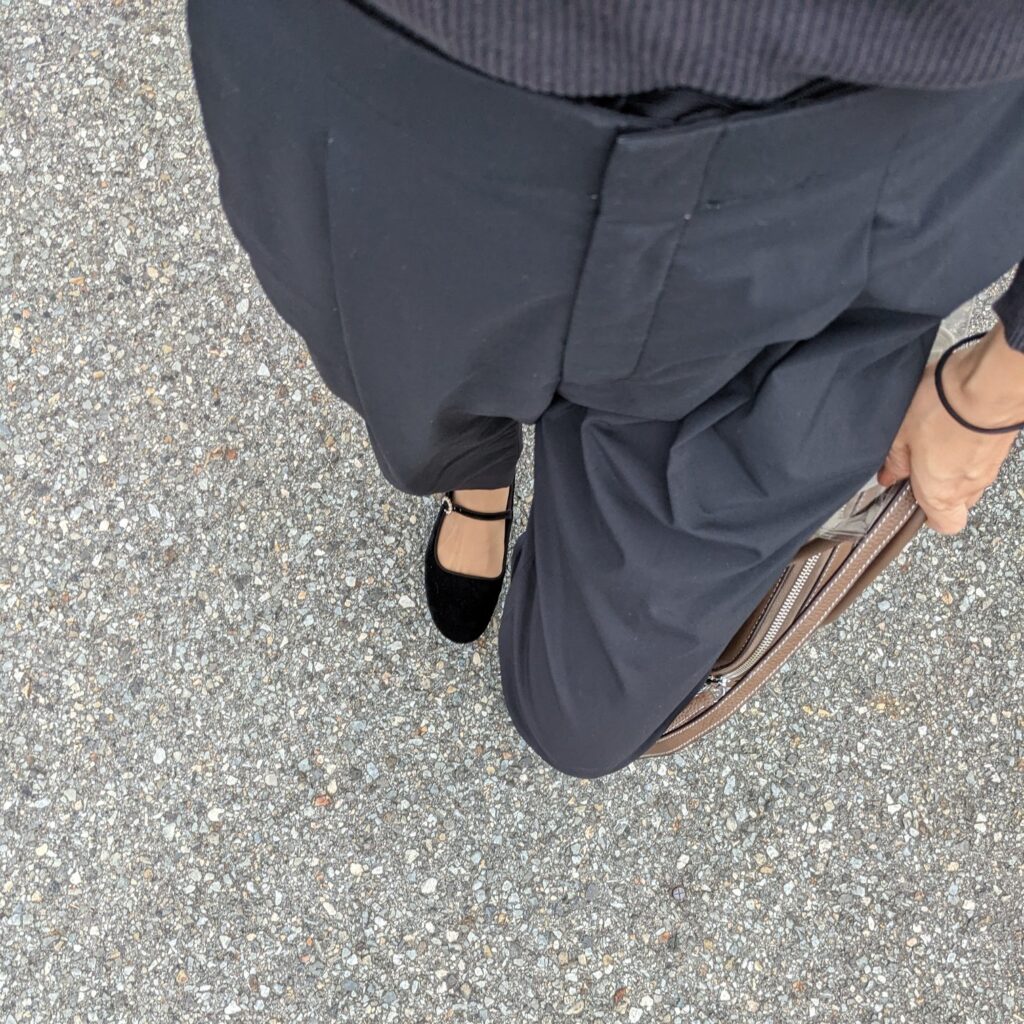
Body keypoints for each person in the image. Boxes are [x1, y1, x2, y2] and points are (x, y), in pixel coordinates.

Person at [185, 0, 1024, 779]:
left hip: (864, 143)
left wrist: (996, 388)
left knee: (579, 713)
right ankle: (476, 480)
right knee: (412, 389)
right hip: (407, 64)